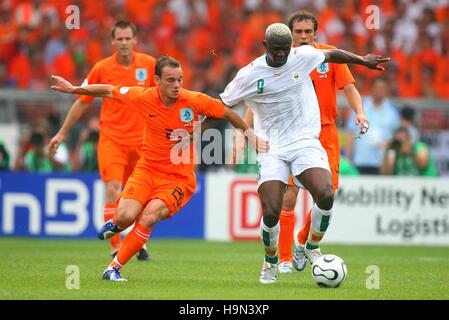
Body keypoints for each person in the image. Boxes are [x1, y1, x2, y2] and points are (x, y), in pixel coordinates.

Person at [50, 56, 269, 282]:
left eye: (180, 80)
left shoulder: (193, 100)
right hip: (147, 170)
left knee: (149, 215)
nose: (177, 85)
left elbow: (228, 112)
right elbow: (108, 90)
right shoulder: (143, 97)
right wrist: (75, 88)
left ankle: (113, 268)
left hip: (178, 179)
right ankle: (117, 224)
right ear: (157, 81)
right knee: (125, 216)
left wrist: (249, 135)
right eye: (171, 80)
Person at [220, 23, 388, 284]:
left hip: (304, 142)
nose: (281, 55)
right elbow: (224, 106)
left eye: (285, 49)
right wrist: (243, 133)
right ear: (265, 47)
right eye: (276, 50)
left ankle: (310, 245)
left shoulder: (302, 56)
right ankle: (271, 261)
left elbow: (333, 55)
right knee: (272, 211)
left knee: (325, 193)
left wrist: (363, 61)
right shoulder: (249, 74)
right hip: (271, 148)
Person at [48, 21, 156, 260]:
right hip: (112, 140)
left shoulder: (149, 65)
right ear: (112, 42)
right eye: (120, 39)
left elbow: (161, 100)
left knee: (139, 195)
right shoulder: (102, 68)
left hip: (143, 142)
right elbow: (81, 101)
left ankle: (138, 241)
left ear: (135, 40)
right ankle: (116, 246)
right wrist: (62, 133)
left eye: (128, 38)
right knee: (112, 189)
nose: (125, 43)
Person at [345, 77, 400, 175]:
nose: (380, 91)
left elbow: (397, 137)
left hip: (383, 163)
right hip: (361, 160)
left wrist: (388, 145)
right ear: (372, 88)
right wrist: (348, 160)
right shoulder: (359, 108)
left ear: (387, 90)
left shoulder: (392, 112)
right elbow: (351, 134)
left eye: (383, 88)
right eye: (378, 88)